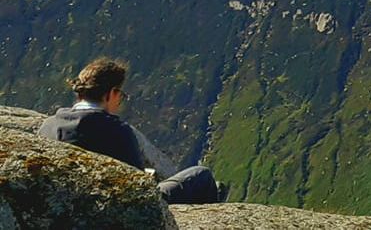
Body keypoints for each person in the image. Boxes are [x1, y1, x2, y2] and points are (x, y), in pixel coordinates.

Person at [37, 58, 229, 205]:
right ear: (111, 93)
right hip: (111, 211)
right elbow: (137, 189)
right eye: (120, 94)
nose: (120, 100)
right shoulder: (117, 131)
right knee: (200, 176)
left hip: (63, 210)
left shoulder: (48, 126)